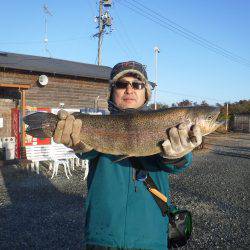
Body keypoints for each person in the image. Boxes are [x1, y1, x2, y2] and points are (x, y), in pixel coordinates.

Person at [53, 61, 202, 250]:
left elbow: (177, 165)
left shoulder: (165, 124)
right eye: (122, 84)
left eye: (137, 84)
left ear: (146, 92)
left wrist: (178, 155)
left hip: (151, 237)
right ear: (112, 92)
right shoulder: (99, 123)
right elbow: (87, 153)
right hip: (102, 236)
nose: (129, 89)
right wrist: (76, 142)